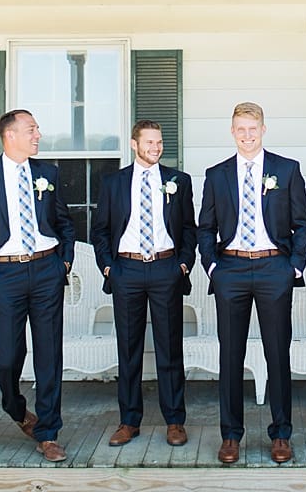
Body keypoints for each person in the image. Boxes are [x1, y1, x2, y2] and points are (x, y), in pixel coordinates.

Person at [197, 102, 306, 465]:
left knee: (277, 353)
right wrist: (213, 266)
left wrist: (293, 266)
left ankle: (281, 433)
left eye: (253, 129)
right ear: (232, 132)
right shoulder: (216, 175)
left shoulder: (286, 170)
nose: (247, 136)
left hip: (273, 269)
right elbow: (205, 227)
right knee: (230, 355)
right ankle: (230, 435)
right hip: (230, 269)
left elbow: (303, 224)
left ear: (263, 130)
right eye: (240, 130)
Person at [0, 109, 75, 462]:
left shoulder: (48, 173)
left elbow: (64, 220)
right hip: (6, 275)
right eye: (31, 130)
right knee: (9, 356)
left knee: (49, 354)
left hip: (46, 268)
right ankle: (14, 405)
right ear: (10, 135)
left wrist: (64, 261)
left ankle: (48, 432)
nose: (38, 136)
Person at [91, 119, 196, 448]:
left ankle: (175, 420)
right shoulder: (114, 183)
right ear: (135, 145)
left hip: (166, 268)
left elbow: (189, 229)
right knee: (129, 349)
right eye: (149, 142)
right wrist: (109, 268)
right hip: (127, 271)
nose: (156, 147)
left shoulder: (178, 181)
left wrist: (182, 264)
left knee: (169, 348)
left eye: (159, 142)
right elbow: (100, 231)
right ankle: (129, 420)